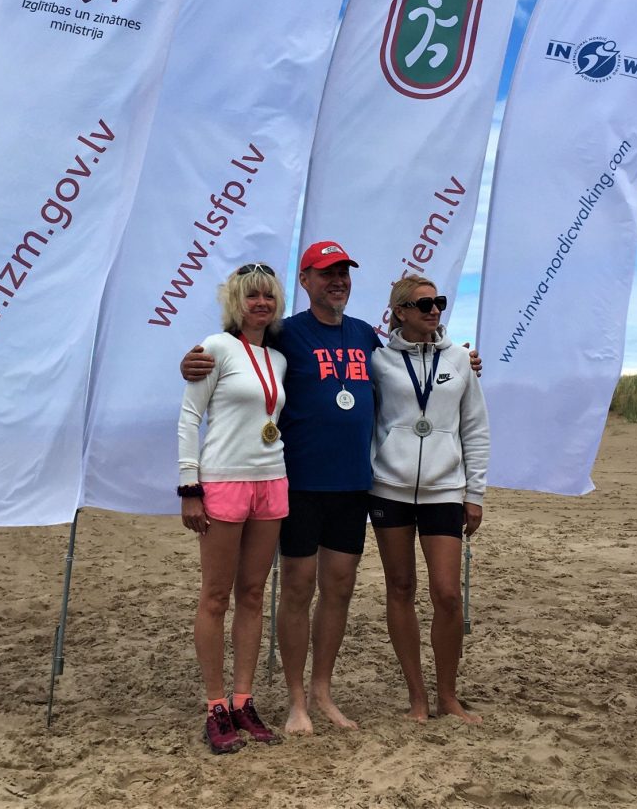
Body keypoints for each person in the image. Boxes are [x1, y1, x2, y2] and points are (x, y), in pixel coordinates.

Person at [181, 241, 482, 735]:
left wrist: (461, 360)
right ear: (305, 280)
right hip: (299, 484)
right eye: (326, 273)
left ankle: (322, 692)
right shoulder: (284, 332)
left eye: (343, 272)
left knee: (338, 588)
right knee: (297, 588)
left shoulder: (365, 335)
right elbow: (240, 347)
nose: (337, 280)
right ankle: (296, 702)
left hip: (353, 485)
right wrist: (191, 362)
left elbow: (414, 358)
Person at [177, 262, 288, 754]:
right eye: (251, 295)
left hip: (272, 481)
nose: (261, 303)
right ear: (235, 302)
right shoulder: (216, 348)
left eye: (268, 295)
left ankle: (244, 700)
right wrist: (189, 486)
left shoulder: (279, 359)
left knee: (252, 594)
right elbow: (189, 417)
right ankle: (215, 705)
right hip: (223, 481)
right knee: (215, 596)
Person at [370, 275, 489, 724]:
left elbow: (475, 427)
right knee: (400, 588)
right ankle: (417, 697)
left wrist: (474, 493)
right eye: (423, 304)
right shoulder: (379, 360)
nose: (434, 310)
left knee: (447, 594)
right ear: (399, 311)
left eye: (438, 302)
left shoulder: (459, 359)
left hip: (444, 490)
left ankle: (448, 696)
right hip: (390, 487)